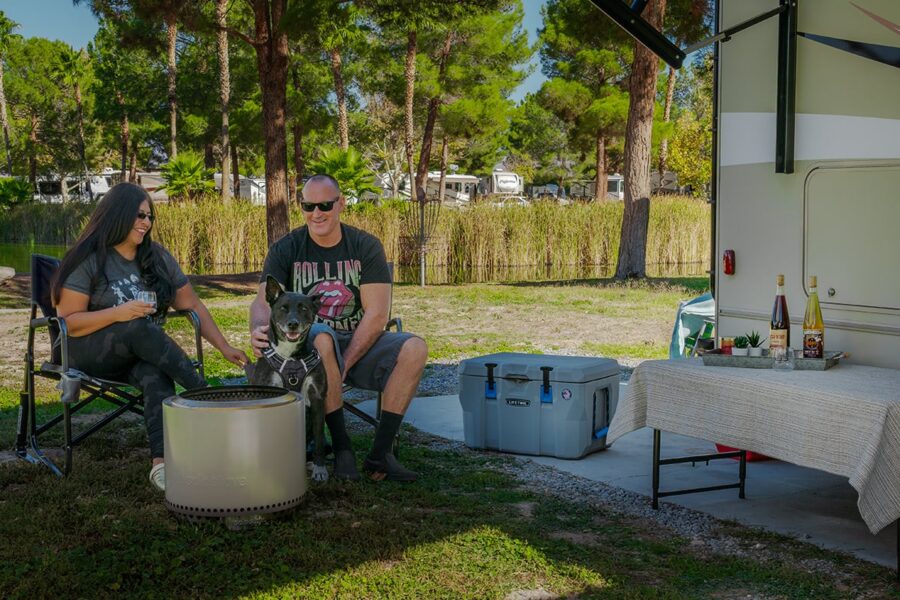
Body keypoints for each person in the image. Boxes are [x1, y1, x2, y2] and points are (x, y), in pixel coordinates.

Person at [52, 182, 249, 491]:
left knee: (154, 370)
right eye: (139, 215)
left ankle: (161, 464)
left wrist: (223, 346)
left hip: (137, 354)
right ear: (117, 215)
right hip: (82, 350)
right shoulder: (89, 257)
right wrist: (119, 313)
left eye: (150, 216)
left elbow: (192, 304)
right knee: (140, 326)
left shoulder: (155, 256)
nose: (146, 223)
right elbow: (69, 323)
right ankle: (208, 397)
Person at [249, 174, 427, 482]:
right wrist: (260, 328)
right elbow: (262, 302)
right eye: (308, 205)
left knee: (414, 348)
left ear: (341, 204)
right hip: (307, 349)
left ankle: (380, 455)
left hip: (360, 340)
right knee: (321, 337)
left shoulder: (365, 245)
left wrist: (346, 363)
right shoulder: (286, 248)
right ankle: (342, 447)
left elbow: (377, 314)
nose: (316, 213)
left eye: (325, 205)